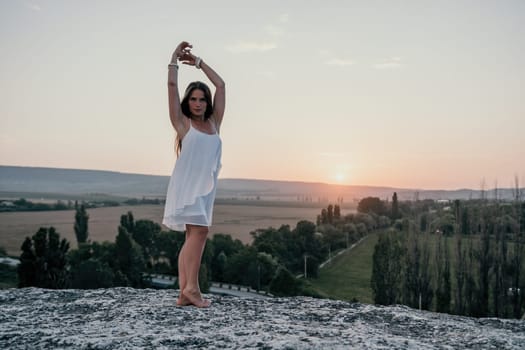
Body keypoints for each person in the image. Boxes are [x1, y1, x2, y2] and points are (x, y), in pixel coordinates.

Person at [162, 41, 225, 308]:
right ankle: (192, 289)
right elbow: (172, 87)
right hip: (187, 186)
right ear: (187, 102)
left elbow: (221, 85)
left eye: (202, 99)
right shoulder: (183, 123)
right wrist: (174, 61)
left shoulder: (213, 122)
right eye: (193, 99)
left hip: (206, 188)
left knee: (193, 235)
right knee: (200, 232)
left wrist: (198, 62)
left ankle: (183, 293)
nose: (198, 103)